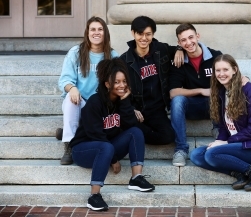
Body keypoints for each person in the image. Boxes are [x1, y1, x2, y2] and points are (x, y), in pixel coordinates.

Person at [69, 58, 155, 211]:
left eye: (124, 81)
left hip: (106, 147)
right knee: (106, 147)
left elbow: (130, 125)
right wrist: (114, 159)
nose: (122, 85)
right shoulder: (95, 103)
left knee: (136, 132)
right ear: (107, 84)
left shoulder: (122, 100)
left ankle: (136, 178)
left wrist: (125, 102)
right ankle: (94, 196)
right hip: (83, 150)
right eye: (116, 82)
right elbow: (95, 134)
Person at [190, 54, 251, 191]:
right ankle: (241, 173)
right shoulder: (223, 91)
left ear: (234, 70)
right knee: (196, 155)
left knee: (211, 154)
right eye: (218, 70)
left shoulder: (250, 91)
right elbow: (224, 126)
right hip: (236, 145)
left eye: (225, 70)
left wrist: (227, 142)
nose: (221, 74)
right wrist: (219, 140)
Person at [57, 16, 119, 165]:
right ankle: (70, 144)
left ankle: (68, 130)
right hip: (80, 102)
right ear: (87, 32)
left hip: (100, 107)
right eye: (93, 29)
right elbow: (64, 80)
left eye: (100, 29)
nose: (96, 33)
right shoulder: (76, 52)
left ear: (105, 33)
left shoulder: (113, 56)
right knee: (71, 101)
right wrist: (72, 88)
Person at [119, 16, 184, 146]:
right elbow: (119, 89)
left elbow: (177, 48)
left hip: (157, 110)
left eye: (148, 34)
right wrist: (131, 108)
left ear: (153, 34)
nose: (144, 38)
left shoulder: (160, 49)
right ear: (133, 33)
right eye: (140, 34)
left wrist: (179, 50)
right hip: (137, 109)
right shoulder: (124, 60)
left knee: (168, 136)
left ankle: (136, 131)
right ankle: (135, 129)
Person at [169, 23, 222, 166]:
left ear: (197, 36)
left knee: (221, 91)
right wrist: (200, 91)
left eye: (191, 37)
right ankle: (181, 149)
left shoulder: (216, 56)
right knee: (177, 100)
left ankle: (220, 132)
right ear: (179, 43)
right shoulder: (178, 62)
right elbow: (173, 92)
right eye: (183, 40)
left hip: (214, 106)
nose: (188, 43)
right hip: (192, 106)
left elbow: (230, 77)